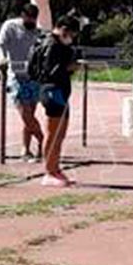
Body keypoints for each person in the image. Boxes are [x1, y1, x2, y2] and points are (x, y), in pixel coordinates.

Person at [32, 14, 82, 187]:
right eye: (72, 34)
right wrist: (70, 67)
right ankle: (49, 170)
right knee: (53, 133)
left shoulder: (56, 44)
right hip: (52, 90)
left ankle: (55, 167)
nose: (72, 39)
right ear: (63, 30)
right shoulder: (51, 45)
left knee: (60, 133)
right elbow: (51, 71)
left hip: (59, 90)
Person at [0, 3, 45, 160]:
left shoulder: (39, 32)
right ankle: (44, 140)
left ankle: (26, 149)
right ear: (22, 16)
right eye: (28, 20)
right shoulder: (10, 26)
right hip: (16, 76)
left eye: (34, 20)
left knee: (30, 113)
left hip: (33, 77)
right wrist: (1, 58)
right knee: (25, 114)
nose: (31, 23)